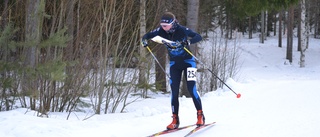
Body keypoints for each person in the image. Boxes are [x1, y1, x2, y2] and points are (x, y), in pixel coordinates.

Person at [141, 12, 205, 130]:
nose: (163, 28)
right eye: (162, 25)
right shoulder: (160, 31)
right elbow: (146, 36)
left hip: (188, 62)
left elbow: (198, 36)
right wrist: (144, 40)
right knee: (174, 91)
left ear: (172, 23)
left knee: (192, 88)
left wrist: (188, 42)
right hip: (174, 64)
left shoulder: (181, 30)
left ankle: (200, 115)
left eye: (166, 26)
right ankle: (175, 119)